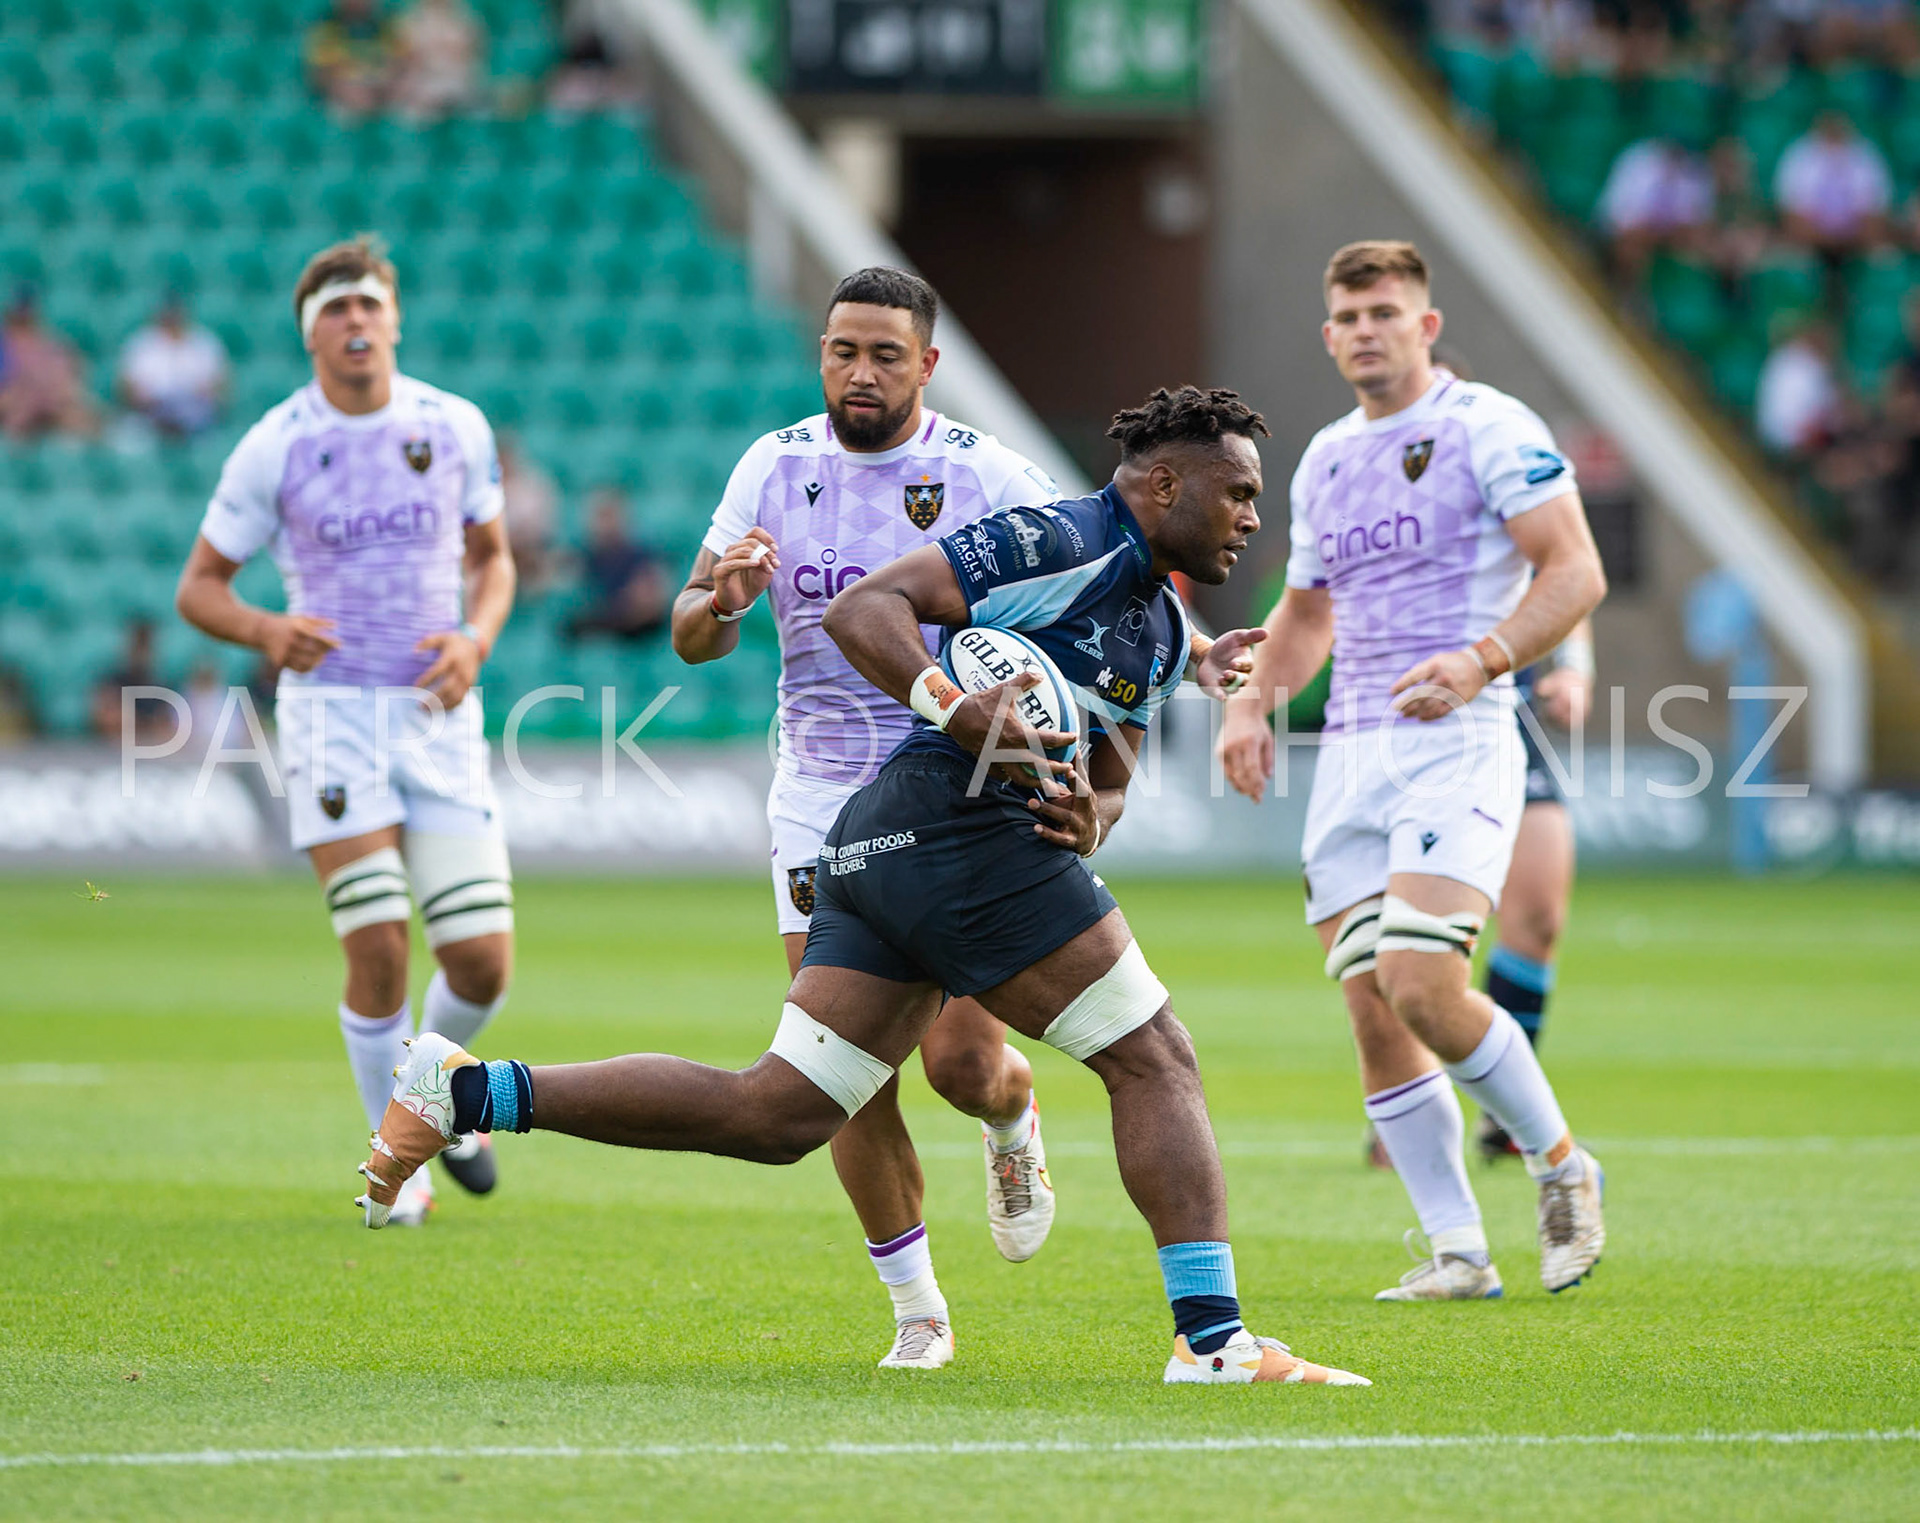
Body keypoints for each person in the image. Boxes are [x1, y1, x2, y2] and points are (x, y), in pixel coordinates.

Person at [357, 386, 1367, 1387]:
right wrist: (958, 709)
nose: (1250, 517)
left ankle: (465, 1089)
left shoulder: (1157, 625)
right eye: (1236, 492)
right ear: (1162, 482)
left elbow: (1109, 786)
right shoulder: (1055, 538)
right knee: (1155, 1056)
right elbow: (862, 606)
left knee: (781, 1112)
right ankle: (1213, 1339)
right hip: (952, 824)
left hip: (892, 842)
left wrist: (1088, 816)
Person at [670, 266, 1067, 1369]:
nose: (861, 370)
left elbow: (1087, 590)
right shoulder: (773, 463)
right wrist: (722, 601)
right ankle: (918, 1311)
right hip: (815, 798)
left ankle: (1010, 1111)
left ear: (927, 364)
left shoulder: (987, 474)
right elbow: (688, 633)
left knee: (961, 1067)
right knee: (839, 1066)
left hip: (949, 798)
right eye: (844, 349)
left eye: (886, 353)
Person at [1219, 240, 1609, 1301]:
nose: (1365, 331)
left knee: (1424, 983)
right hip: (1351, 753)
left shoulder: (1488, 425)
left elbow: (1576, 568)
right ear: (1328, 332)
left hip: (1459, 736)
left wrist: (1485, 657)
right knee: (1371, 1009)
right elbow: (1306, 614)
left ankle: (1563, 1165)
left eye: (1385, 312)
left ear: (1425, 326)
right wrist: (1252, 704)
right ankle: (1458, 1250)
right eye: (1347, 316)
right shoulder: (1326, 458)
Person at [176, 235, 517, 1226]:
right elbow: (199, 587)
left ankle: (433, 1099)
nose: (355, 321)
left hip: (437, 712)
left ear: (395, 319)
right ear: (310, 333)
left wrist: (477, 637)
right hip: (332, 722)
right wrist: (266, 628)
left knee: (483, 963)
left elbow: (493, 560)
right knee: (379, 952)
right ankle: (398, 1168)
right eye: (334, 310)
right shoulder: (275, 443)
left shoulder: (455, 426)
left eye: (368, 304)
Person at [1472, 620, 1594, 1161]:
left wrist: (1573, 669)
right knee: (1421, 935)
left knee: (1539, 917)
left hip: (1508, 712)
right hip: (1409, 710)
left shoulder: (1519, 527)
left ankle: (1504, 1114)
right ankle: (1400, 1096)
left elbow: (1569, 575)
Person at [1773, 111, 1893, 259]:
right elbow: (1791, 218)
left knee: (1885, 258)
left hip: (1858, 243)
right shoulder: (1798, 155)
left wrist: (1844, 238)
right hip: (1808, 242)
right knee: (1789, 258)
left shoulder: (1867, 155)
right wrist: (1830, 239)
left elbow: (1876, 217)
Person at [116, 293, 229, 440]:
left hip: (196, 417)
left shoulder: (204, 344)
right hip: (152, 416)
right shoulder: (141, 345)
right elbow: (128, 390)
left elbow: (221, 387)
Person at [566, 487, 670, 641]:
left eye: (609, 515)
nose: (604, 524)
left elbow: (653, 602)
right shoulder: (584, 557)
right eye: (600, 516)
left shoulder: (642, 555)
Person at [0, 287, 99, 440]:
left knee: (83, 421)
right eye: (19, 321)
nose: (24, 328)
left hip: (50, 415)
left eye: (28, 321)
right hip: (13, 420)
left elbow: (70, 388)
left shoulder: (50, 347)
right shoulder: (4, 348)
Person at [390, 0, 486, 120]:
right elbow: (407, 64)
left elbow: (471, 60)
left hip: (459, 85)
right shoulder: (410, 22)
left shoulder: (465, 22)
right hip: (423, 86)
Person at [306, 0, 397, 115]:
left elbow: (395, 68)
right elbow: (321, 76)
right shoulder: (325, 30)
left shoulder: (386, 28)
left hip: (378, 97)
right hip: (339, 102)